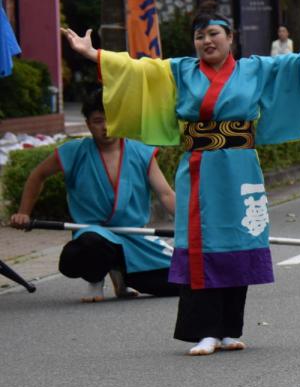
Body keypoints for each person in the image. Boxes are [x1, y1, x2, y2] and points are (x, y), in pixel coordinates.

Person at [62, 2, 300, 355]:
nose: (206, 42)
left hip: (241, 170)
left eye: (213, 34)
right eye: (199, 36)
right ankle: (203, 330)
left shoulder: (254, 69)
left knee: (238, 241)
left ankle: (228, 330)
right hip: (200, 169)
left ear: (230, 38)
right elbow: (136, 70)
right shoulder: (180, 71)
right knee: (201, 243)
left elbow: (297, 64)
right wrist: (93, 54)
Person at [8, 89, 177, 301]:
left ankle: (122, 277)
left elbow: (166, 194)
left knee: (181, 283)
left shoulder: (142, 153)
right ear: (88, 124)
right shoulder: (74, 152)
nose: (106, 127)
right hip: (93, 237)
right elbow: (37, 176)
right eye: (98, 121)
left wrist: (191, 222)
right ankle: (95, 279)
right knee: (88, 246)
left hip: (135, 239)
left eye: (112, 119)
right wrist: (23, 213)